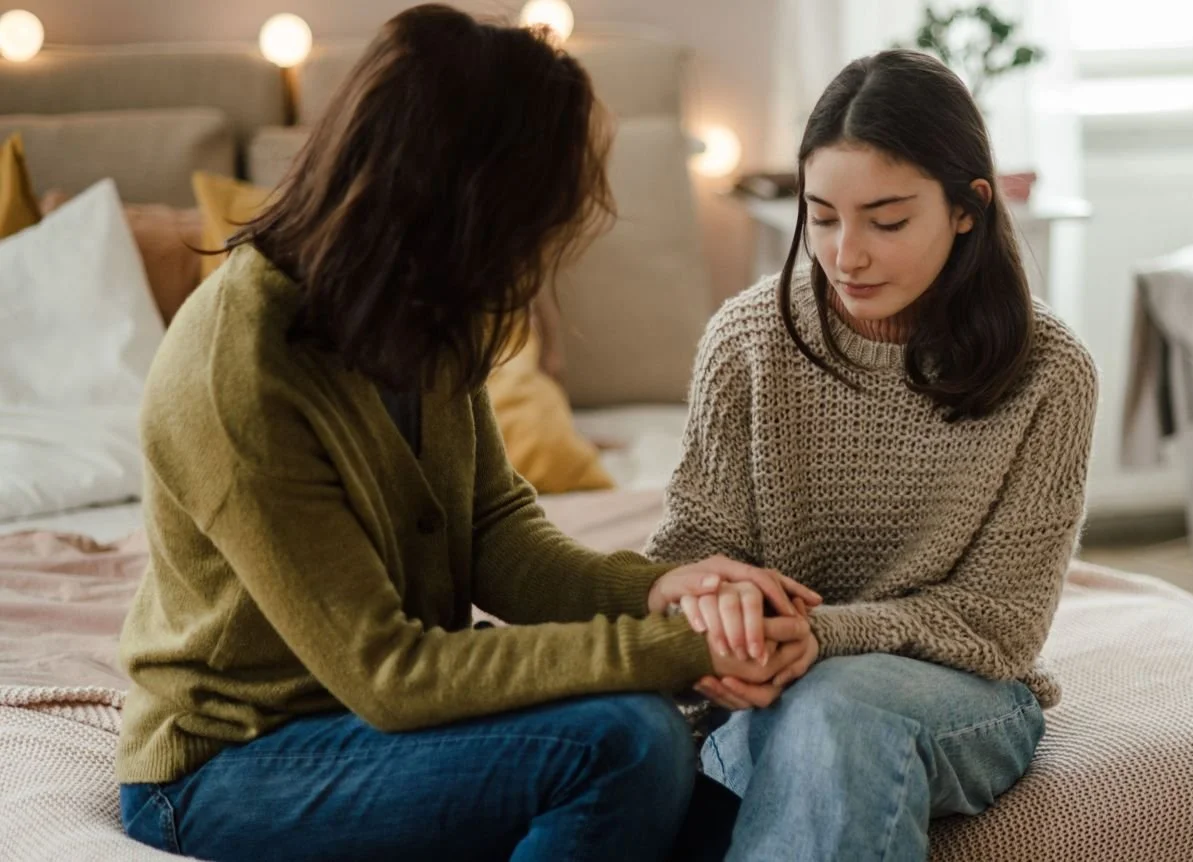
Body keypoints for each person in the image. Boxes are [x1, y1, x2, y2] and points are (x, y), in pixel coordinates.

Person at [114, 6, 819, 860]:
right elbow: (392, 675)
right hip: (231, 762)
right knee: (625, 742)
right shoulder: (240, 372)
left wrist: (658, 591)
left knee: (757, 831)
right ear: (462, 202)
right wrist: (668, 649)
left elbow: (495, 535)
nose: (536, 258)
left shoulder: (422, 311)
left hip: (381, 728)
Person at [645, 48, 1100, 861]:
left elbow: (999, 626)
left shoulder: (1051, 373)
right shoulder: (747, 343)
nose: (846, 253)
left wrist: (825, 635)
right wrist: (724, 625)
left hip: (962, 691)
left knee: (837, 709)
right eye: (821, 216)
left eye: (886, 221)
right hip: (774, 679)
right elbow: (691, 556)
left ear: (968, 209)